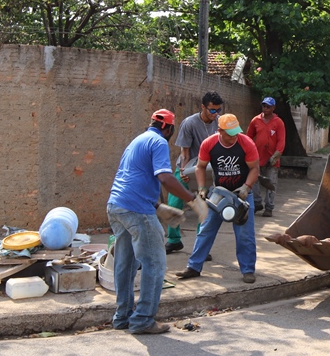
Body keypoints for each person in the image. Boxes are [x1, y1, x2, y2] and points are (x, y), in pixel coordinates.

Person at [106, 109, 206, 335]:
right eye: (172, 130)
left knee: (125, 262)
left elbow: (136, 178)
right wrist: (191, 199)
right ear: (168, 128)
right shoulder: (159, 142)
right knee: (155, 263)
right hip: (136, 209)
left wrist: (158, 206)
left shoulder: (137, 141)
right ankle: (142, 320)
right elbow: (165, 177)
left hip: (116, 205)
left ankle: (122, 317)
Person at [176, 113, 260, 284]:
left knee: (245, 234)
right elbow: (200, 167)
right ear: (220, 131)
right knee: (206, 229)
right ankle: (194, 267)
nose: (233, 137)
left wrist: (246, 187)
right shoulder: (209, 144)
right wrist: (201, 188)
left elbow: (254, 169)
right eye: (229, 134)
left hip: (241, 194)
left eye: (236, 132)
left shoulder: (246, 144)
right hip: (219, 194)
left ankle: (248, 269)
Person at [165, 91, 224, 254]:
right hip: (187, 166)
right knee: (174, 203)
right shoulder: (189, 123)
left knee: (205, 206)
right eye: (212, 110)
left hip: (207, 171)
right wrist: (184, 171)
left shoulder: (220, 123)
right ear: (203, 107)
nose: (215, 114)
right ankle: (174, 240)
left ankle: (201, 246)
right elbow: (185, 153)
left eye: (218, 110)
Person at [246, 96, 286, 217]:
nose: (266, 108)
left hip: (272, 159)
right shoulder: (256, 120)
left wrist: (275, 156)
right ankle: (257, 203)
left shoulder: (278, 122)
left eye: (268, 106)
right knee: (254, 181)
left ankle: (269, 207)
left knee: (271, 184)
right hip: (257, 158)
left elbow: (281, 141)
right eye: (264, 105)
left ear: (273, 108)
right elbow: (248, 137)